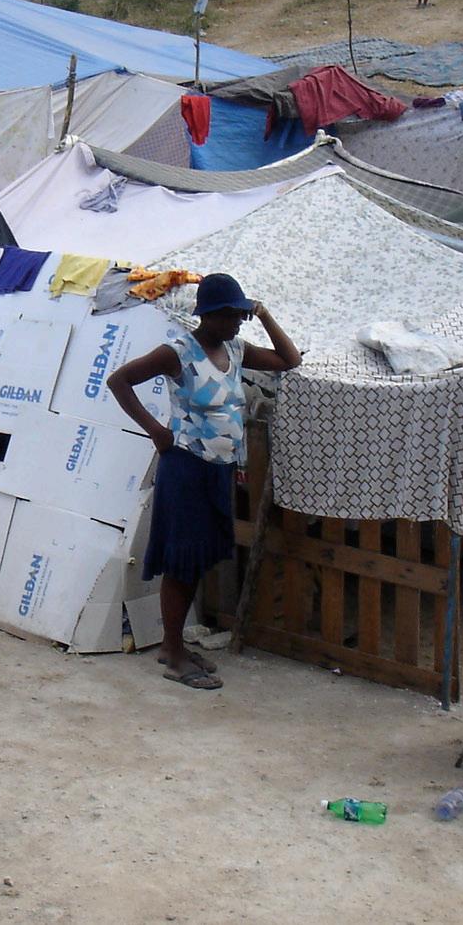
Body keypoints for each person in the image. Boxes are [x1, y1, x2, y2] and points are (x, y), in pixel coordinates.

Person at [106, 274, 301, 690]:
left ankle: (172, 645)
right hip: (186, 468)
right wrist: (156, 431)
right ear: (208, 316)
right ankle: (174, 655)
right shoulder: (177, 353)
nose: (236, 323)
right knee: (181, 560)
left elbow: (289, 360)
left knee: (196, 560)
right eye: (230, 316)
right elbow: (119, 381)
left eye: (240, 315)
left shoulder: (236, 349)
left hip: (218, 470)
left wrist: (264, 314)